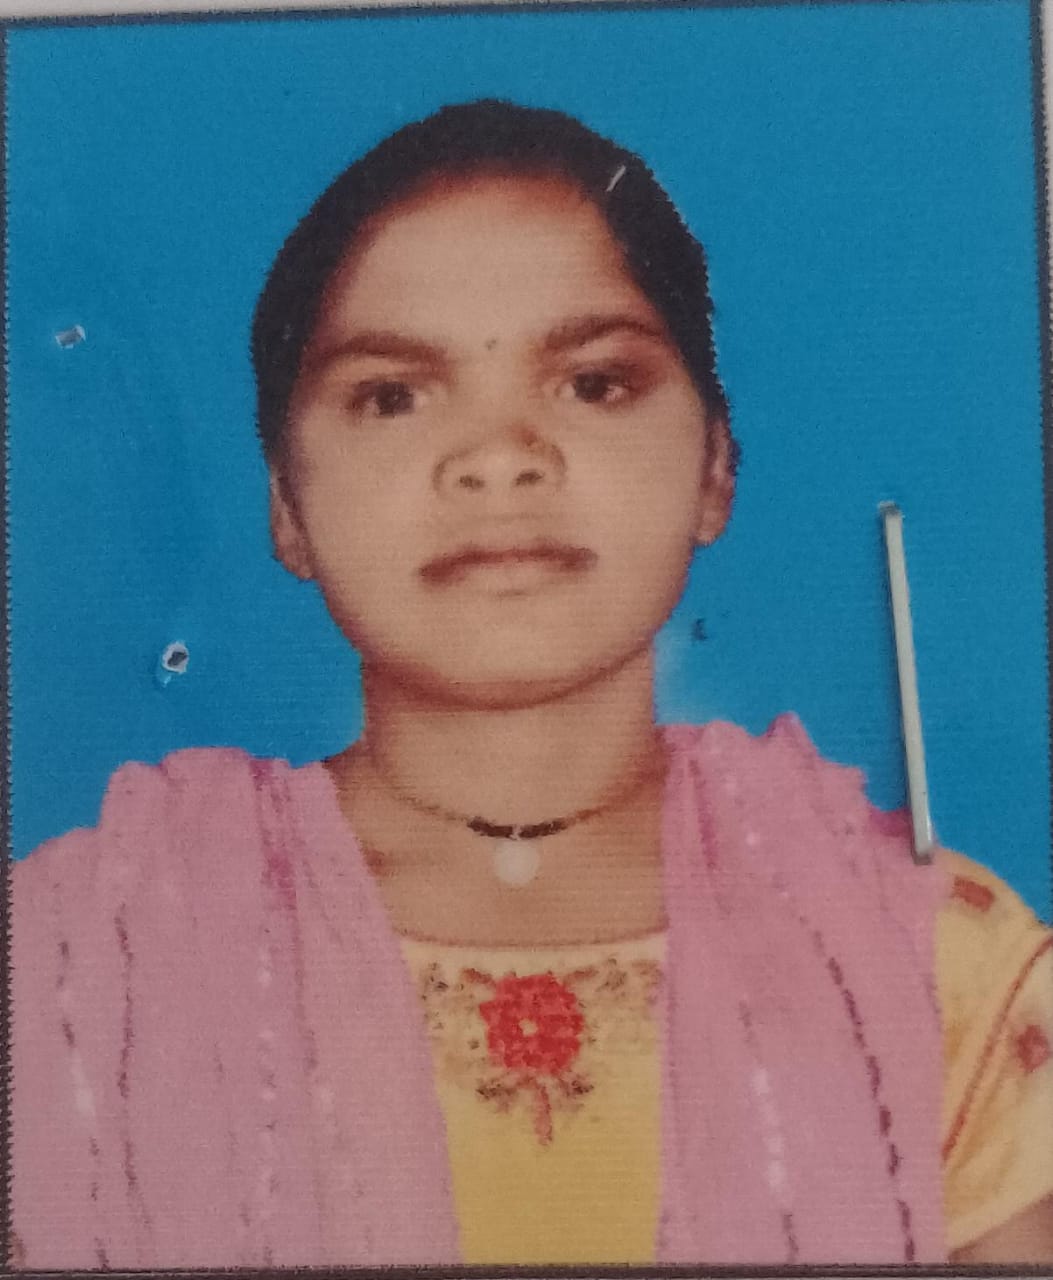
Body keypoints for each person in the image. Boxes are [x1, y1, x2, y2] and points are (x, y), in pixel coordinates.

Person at [10, 99, 1053, 1269]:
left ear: (716, 465)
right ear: (286, 506)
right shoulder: (75, 963)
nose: (499, 456)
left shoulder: (934, 960)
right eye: (393, 394)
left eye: (595, 382)